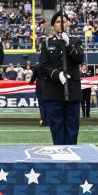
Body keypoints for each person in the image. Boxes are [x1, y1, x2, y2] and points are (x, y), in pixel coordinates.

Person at [36, 12, 84, 145]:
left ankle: (71, 157)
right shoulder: (47, 43)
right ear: (53, 26)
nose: (61, 24)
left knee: (72, 127)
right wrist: (58, 75)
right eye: (58, 22)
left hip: (72, 91)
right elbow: (43, 66)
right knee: (57, 129)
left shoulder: (75, 41)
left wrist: (68, 44)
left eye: (64, 21)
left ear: (68, 24)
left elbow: (79, 59)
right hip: (54, 91)